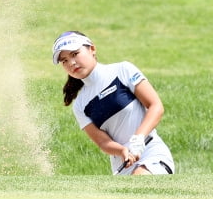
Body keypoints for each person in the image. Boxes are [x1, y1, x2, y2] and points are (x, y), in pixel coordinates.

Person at [52, 31, 175, 175]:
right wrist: (122, 150)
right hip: (123, 164)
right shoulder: (80, 105)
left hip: (150, 151)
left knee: (140, 177)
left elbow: (156, 106)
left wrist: (139, 139)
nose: (71, 63)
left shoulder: (123, 70)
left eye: (75, 54)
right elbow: (103, 142)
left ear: (92, 49)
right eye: (64, 60)